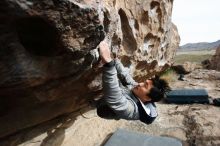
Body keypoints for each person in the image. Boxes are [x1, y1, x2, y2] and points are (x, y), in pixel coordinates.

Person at [96, 41, 171, 124]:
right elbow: (127, 79)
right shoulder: (140, 92)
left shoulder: (132, 111)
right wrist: (115, 60)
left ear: (147, 98)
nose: (140, 84)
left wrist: (109, 64)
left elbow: (115, 98)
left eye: (145, 86)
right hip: (116, 95)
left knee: (101, 105)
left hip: (104, 106)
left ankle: (93, 104)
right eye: (144, 82)